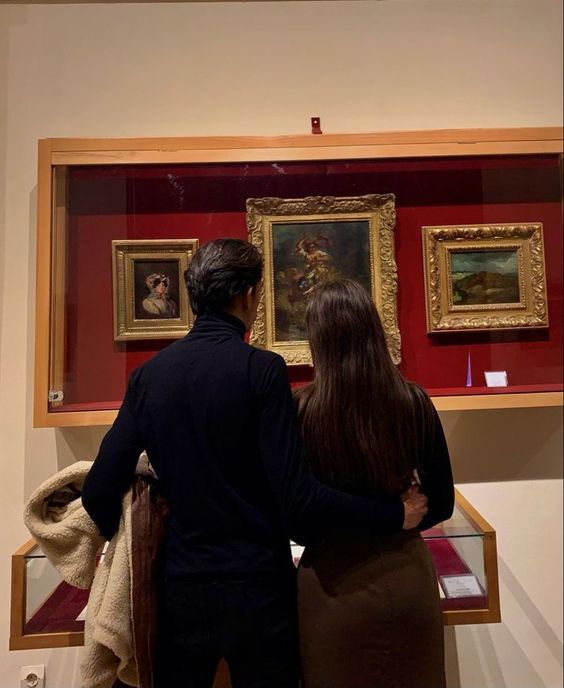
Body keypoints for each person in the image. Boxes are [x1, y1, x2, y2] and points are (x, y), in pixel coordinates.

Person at [81, 239, 428, 688]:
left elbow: (98, 491)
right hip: (258, 589)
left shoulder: (149, 376)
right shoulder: (262, 370)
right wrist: (393, 512)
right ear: (247, 294)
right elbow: (297, 500)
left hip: (182, 587)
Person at [295, 279, 454, 688]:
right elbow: (441, 503)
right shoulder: (412, 401)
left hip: (333, 585)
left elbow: (297, 517)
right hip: (405, 578)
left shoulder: (303, 410)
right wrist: (399, 515)